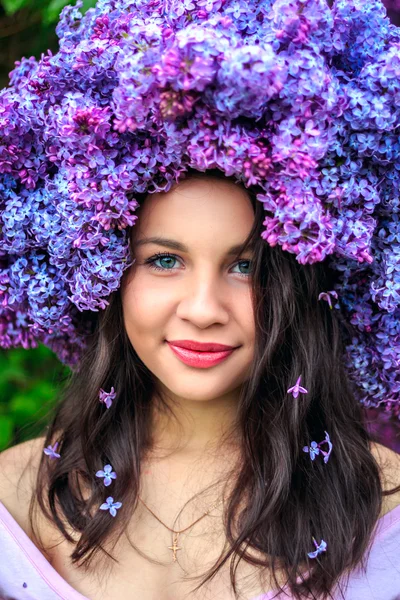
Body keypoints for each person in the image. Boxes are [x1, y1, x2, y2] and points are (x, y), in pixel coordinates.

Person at [1, 0, 400, 598]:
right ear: (101, 269)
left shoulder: (387, 511)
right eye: (165, 260)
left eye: (247, 267)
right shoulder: (11, 495)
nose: (204, 308)